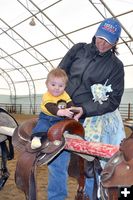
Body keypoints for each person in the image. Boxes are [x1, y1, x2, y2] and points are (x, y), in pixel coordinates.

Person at [47, 18, 126, 200]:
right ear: (96, 34)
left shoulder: (116, 67)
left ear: (115, 42)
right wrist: (58, 99)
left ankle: (91, 196)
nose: (102, 43)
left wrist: (85, 109)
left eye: (108, 41)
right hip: (63, 112)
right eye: (100, 38)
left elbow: (113, 100)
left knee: (90, 165)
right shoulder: (78, 50)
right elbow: (60, 73)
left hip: (88, 119)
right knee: (56, 161)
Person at [31, 68, 82, 149]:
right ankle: (36, 138)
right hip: (47, 117)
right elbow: (50, 107)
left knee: (66, 125)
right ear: (47, 84)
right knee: (43, 126)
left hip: (60, 118)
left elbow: (70, 104)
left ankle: (65, 136)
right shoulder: (46, 95)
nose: (57, 88)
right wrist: (62, 112)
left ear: (65, 86)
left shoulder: (65, 94)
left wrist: (75, 114)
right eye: (53, 85)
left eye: (61, 85)